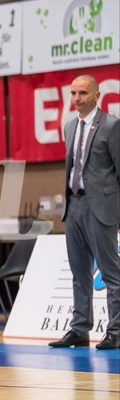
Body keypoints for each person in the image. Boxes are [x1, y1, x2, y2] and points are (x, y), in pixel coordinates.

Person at [49, 75, 120, 350]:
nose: (77, 98)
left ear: (97, 95)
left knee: (111, 273)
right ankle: (80, 329)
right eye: (73, 93)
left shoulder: (112, 126)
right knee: (79, 273)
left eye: (83, 93)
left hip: (101, 208)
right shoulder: (69, 126)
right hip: (74, 205)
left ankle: (116, 331)